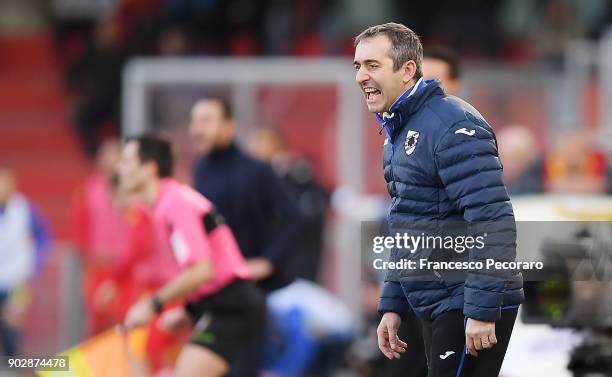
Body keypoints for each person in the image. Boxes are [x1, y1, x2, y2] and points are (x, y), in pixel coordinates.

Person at [353, 22, 523, 377]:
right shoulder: (398, 131)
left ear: (407, 70)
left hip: (466, 299)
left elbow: (493, 221)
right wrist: (393, 305)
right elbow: (407, 224)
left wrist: (479, 310)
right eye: (358, 66)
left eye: (372, 65)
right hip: (438, 298)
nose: (361, 77)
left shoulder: (452, 125)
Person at [120, 134, 265, 377]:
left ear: (148, 169)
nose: (119, 168)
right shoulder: (169, 202)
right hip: (221, 306)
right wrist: (188, 310)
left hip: (232, 308)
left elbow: (201, 270)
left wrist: (152, 305)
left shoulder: (174, 204)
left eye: (126, 161)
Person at [189, 97, 301, 376]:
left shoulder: (255, 170)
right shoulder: (199, 169)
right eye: (194, 121)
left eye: (206, 121)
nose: (197, 129)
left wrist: (267, 261)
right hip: (211, 292)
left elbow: (293, 217)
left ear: (228, 127)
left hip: (246, 295)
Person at [0, 167, 51, 356]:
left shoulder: (24, 208)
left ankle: (15, 366)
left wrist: (36, 264)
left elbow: (43, 236)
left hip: (18, 279)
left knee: (13, 323)